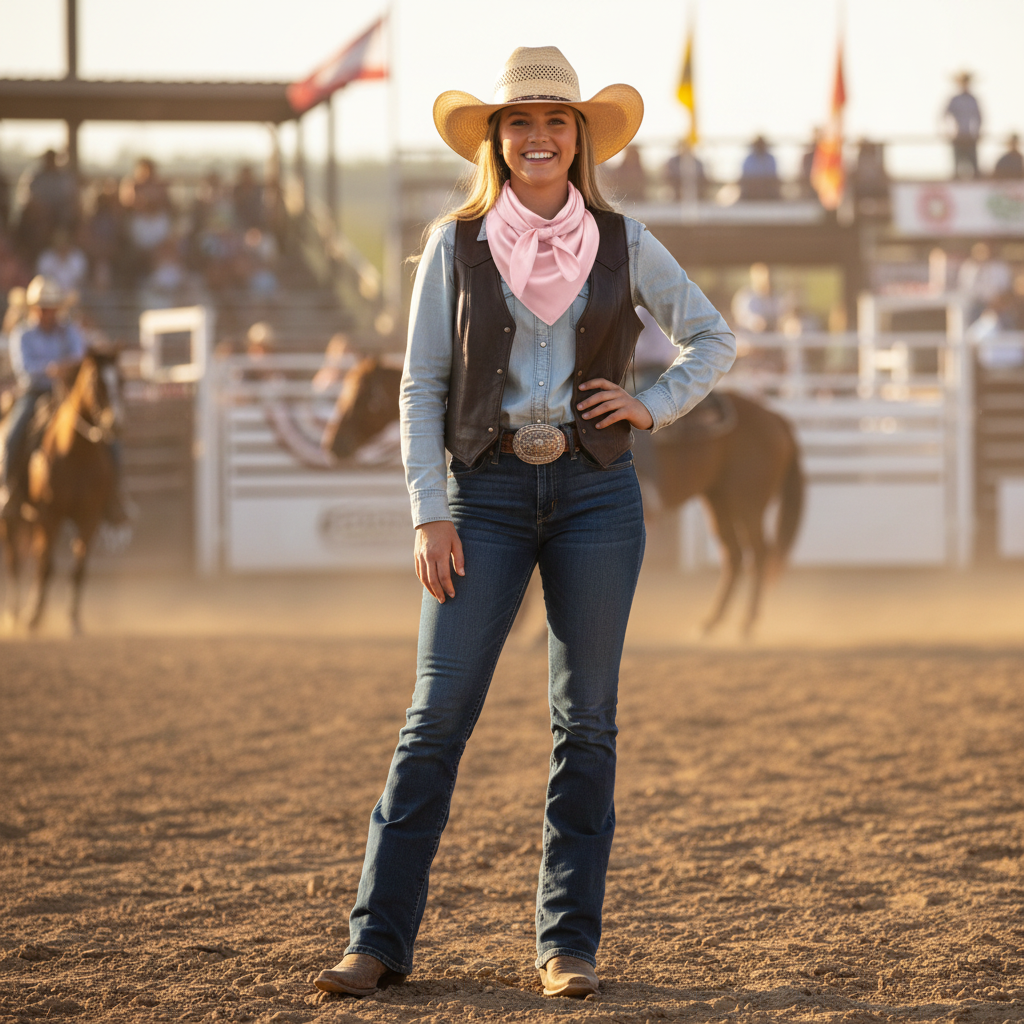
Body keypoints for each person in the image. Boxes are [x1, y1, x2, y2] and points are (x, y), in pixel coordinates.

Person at [312, 45, 734, 1001]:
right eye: (520, 122)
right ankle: (377, 939)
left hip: (595, 496)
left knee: (585, 725)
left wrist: (652, 405)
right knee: (434, 720)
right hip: (483, 497)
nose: (538, 136)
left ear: (579, 137)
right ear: (495, 141)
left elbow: (715, 336)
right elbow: (421, 387)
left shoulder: (624, 240)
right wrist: (429, 515)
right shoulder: (454, 244)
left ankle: (566, 946)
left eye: (556, 121)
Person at [0, 276, 86, 515]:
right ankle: (9, 491)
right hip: (34, 393)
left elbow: (81, 356)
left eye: (52, 308)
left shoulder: (69, 330)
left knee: (101, 431)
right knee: (12, 436)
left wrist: (61, 368)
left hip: (67, 393)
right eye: (43, 308)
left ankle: (112, 495)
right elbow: (25, 370)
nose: (48, 313)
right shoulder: (22, 334)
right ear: (33, 309)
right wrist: (54, 368)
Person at [944, 72, 982, 180]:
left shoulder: (973, 99)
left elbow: (980, 118)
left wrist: (977, 132)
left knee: (975, 171)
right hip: (958, 137)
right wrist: (948, 131)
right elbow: (944, 116)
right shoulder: (954, 100)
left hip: (970, 138)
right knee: (956, 169)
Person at [37, 228, 88, 297]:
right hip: (49, 298)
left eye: (64, 241)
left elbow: (82, 283)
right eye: (59, 240)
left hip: (73, 299)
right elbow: (40, 282)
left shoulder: (78, 258)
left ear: (69, 241)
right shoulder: (46, 258)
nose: (62, 244)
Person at [739, 135, 781, 200]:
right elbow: (746, 178)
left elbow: (773, 178)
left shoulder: (770, 158)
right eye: (758, 145)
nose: (760, 147)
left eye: (761, 144)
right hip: (751, 189)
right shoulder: (749, 159)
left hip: (767, 189)